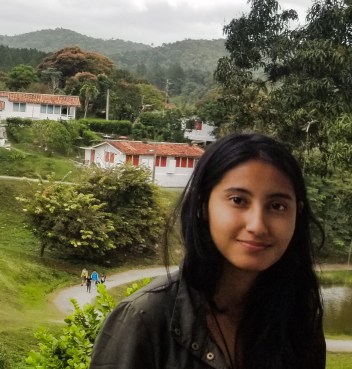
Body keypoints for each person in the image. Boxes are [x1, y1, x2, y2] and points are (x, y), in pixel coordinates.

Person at [89, 133, 325, 369]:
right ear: (203, 206)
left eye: (277, 206)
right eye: (238, 200)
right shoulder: (144, 319)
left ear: (298, 213)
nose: (257, 225)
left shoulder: (297, 317)